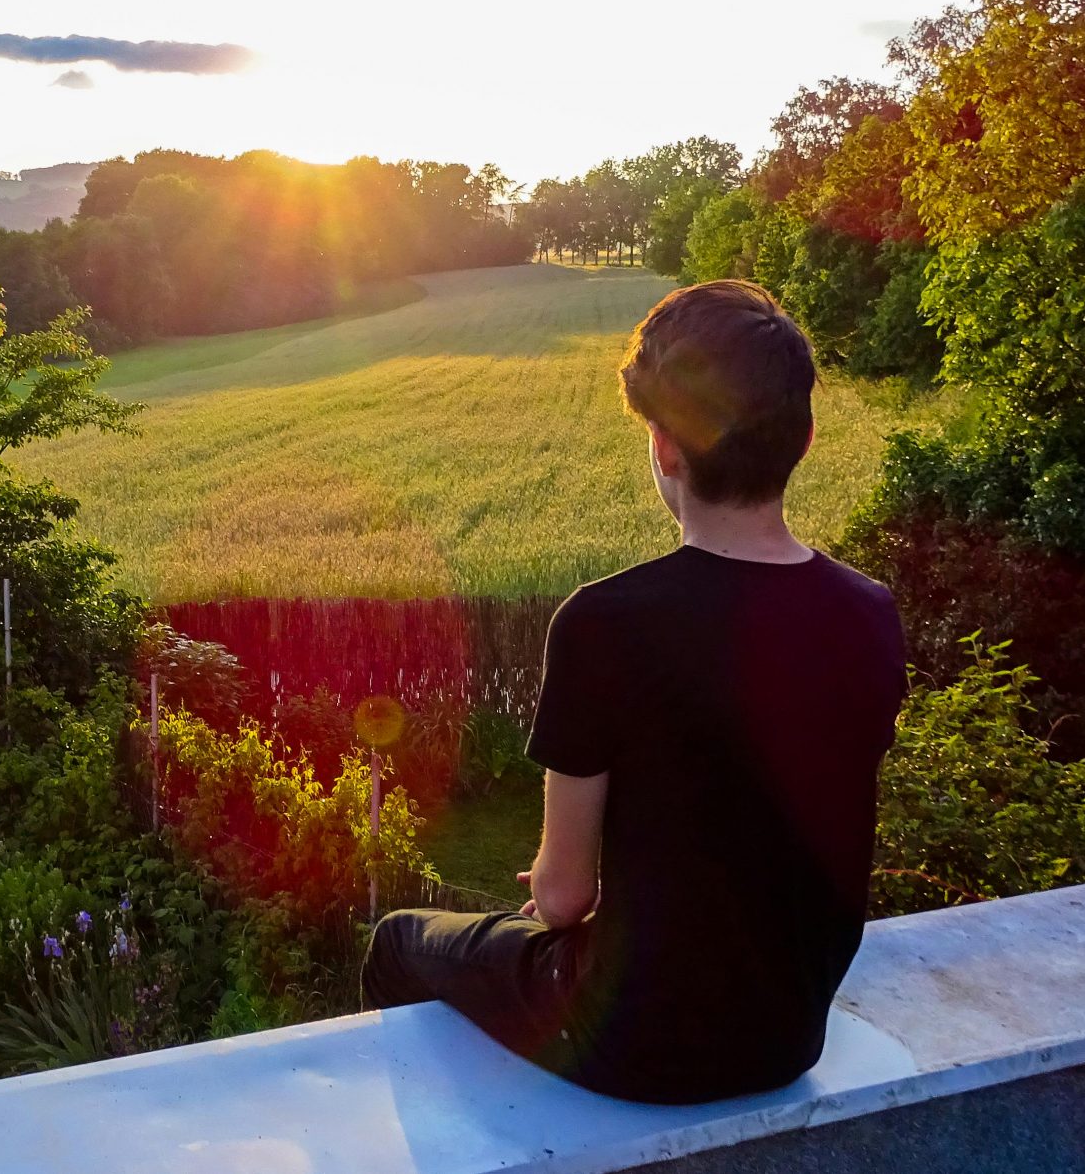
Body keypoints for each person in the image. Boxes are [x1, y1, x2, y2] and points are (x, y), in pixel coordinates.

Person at [360, 279, 908, 1104]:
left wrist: (564, 884)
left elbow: (561, 898)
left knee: (399, 940)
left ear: (664, 448)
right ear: (803, 440)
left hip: (637, 1046)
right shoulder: (870, 612)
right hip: (792, 1035)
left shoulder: (606, 622)